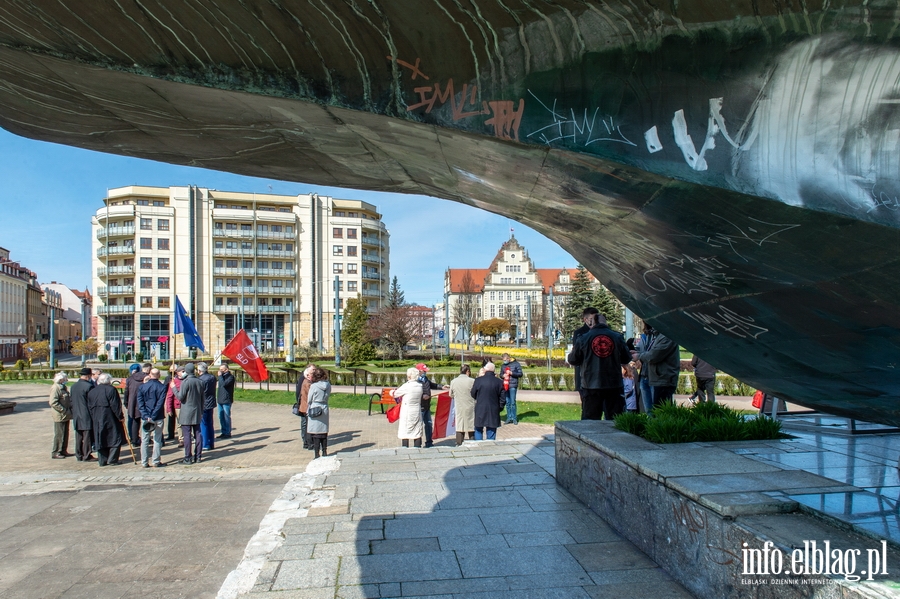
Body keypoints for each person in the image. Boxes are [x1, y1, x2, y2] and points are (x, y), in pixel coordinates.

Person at [567, 313, 632, 420]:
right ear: (605, 322)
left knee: (590, 421)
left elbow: (573, 359)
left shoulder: (583, 338)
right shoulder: (617, 337)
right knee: (615, 420)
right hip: (613, 385)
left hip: (591, 384)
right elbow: (626, 358)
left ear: (593, 322)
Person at [635, 327, 680, 408]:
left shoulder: (667, 337)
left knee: (660, 411)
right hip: (653, 377)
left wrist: (639, 355)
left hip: (663, 379)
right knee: (653, 411)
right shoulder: (655, 335)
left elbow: (653, 356)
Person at [87, 373, 124, 466]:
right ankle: (112, 459)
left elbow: (89, 406)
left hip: (97, 417)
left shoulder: (92, 391)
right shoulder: (111, 390)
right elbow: (116, 405)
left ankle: (102, 460)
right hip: (110, 417)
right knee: (115, 438)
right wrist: (120, 416)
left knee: (100, 438)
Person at [571, 307, 600, 418]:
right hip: (584, 374)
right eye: (593, 318)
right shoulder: (579, 333)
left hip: (599, 375)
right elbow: (577, 354)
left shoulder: (602, 331)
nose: (595, 321)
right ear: (586, 320)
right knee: (587, 405)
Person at [137, 368, 168, 468]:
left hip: (146, 417)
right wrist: (153, 416)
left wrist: (146, 415)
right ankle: (155, 461)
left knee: (145, 440)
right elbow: (160, 403)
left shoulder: (142, 387)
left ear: (150, 374)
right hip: (157, 416)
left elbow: (140, 403)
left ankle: (144, 461)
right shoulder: (162, 387)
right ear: (158, 375)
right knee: (157, 439)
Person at [175, 363, 204, 464]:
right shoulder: (200, 381)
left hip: (186, 411)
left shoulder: (185, 382)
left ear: (186, 371)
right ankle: (198, 456)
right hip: (197, 411)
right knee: (198, 434)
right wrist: (201, 410)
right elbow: (202, 398)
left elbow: (180, 397)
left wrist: (174, 388)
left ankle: (188, 457)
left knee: (187, 435)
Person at [415, 363, 447, 448]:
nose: (425, 372)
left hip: (427, 406)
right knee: (419, 425)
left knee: (429, 424)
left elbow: (432, 385)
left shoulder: (425, 379)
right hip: (420, 406)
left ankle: (429, 442)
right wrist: (422, 397)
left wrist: (441, 386)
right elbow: (414, 394)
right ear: (419, 371)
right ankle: (418, 444)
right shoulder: (415, 381)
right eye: (424, 371)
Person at [471, 362, 505, 440]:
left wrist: (479, 398)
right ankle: (490, 446)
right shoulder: (499, 382)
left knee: (478, 429)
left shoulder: (478, 380)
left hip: (480, 407)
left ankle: (478, 445)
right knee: (491, 429)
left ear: (485, 370)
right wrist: (499, 407)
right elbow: (503, 398)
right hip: (493, 408)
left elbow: (473, 393)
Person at [392, 367, 424, 447]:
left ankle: (405, 448)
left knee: (405, 431)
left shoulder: (407, 386)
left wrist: (391, 391)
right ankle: (417, 447)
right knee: (416, 430)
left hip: (407, 411)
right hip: (417, 409)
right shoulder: (420, 385)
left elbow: (395, 394)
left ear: (409, 376)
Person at [69, 367, 95, 461]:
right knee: (87, 435)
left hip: (76, 413)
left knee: (79, 435)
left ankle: (79, 454)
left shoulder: (73, 386)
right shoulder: (89, 386)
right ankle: (87, 455)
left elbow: (71, 401)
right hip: (86, 414)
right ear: (88, 376)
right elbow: (91, 402)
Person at [306, 366, 331, 458]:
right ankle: (324, 451)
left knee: (316, 432)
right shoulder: (328, 385)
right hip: (324, 406)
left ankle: (317, 453)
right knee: (323, 431)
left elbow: (309, 399)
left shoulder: (314, 386)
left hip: (315, 407)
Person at [449, 364, 476, 445]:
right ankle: (472, 442)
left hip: (459, 405)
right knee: (471, 425)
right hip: (470, 405)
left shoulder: (453, 381)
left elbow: (450, 395)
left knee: (460, 425)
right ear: (467, 371)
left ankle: (459, 442)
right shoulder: (472, 381)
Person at [124, 363, 148, 448]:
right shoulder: (146, 377)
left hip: (133, 403)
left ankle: (134, 440)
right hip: (145, 403)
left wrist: (126, 403)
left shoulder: (130, 379)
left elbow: (126, 392)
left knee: (134, 421)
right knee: (147, 421)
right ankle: (147, 438)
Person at [48, 372, 72, 459]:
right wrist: (63, 410)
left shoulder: (63, 387)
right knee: (59, 434)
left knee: (65, 433)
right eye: (65, 379)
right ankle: (56, 451)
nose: (67, 380)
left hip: (66, 414)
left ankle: (63, 450)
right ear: (61, 379)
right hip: (60, 415)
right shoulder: (55, 388)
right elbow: (53, 402)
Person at [197, 362, 217, 450]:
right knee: (210, 423)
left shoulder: (200, 380)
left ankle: (205, 444)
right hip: (211, 402)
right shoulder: (212, 377)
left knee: (203, 424)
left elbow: (201, 392)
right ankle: (211, 442)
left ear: (199, 370)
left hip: (204, 403)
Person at [294, 365, 314, 449]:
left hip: (304, 405)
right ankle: (307, 442)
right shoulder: (305, 380)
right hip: (305, 405)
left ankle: (306, 442)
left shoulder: (307, 380)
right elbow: (299, 392)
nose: (314, 372)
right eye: (313, 370)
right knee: (306, 424)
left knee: (305, 424)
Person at [500, 353, 523, 425]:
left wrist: (512, 373)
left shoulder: (516, 364)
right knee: (507, 402)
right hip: (505, 386)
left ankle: (514, 418)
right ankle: (509, 417)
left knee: (513, 402)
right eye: (503, 360)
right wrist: (502, 376)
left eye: (505, 360)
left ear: (508, 358)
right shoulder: (503, 366)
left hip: (513, 385)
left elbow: (520, 374)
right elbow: (500, 374)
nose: (504, 361)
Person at [165, 365, 184, 448]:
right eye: (182, 371)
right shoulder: (174, 381)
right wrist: (169, 408)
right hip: (178, 405)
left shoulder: (187, 380)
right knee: (180, 423)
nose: (183, 373)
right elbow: (169, 395)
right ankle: (181, 439)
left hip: (187, 404)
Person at [216, 364, 235, 438]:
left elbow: (224, 384)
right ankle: (223, 431)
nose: (220, 371)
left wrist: (220, 376)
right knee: (221, 416)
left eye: (222, 370)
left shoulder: (230, 377)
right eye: (219, 369)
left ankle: (227, 432)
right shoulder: (222, 377)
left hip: (227, 399)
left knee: (226, 416)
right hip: (220, 399)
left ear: (226, 370)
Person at [163, 364, 178, 442]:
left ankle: (181, 435)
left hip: (178, 400)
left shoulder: (180, 378)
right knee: (171, 418)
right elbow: (164, 388)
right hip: (171, 400)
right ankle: (170, 434)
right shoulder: (168, 378)